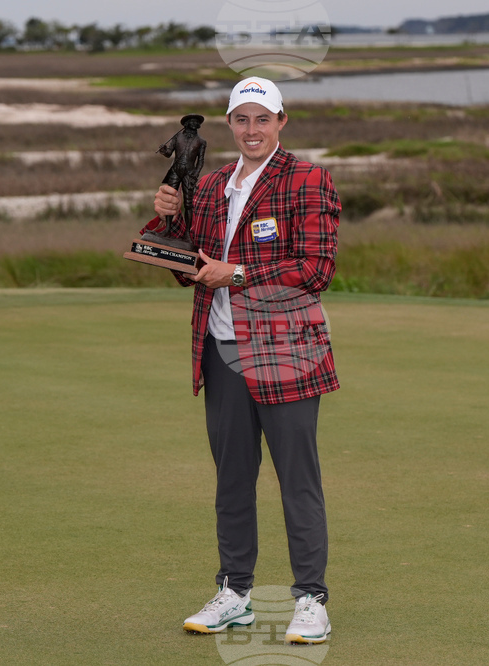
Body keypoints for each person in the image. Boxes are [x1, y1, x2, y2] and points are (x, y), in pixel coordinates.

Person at [143, 77, 341, 645]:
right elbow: (187, 264)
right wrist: (167, 218)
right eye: (241, 120)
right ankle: (235, 593)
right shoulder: (208, 186)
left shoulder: (307, 178)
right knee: (232, 480)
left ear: (282, 121)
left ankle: (311, 600)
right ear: (229, 126)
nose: (251, 130)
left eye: (262, 119)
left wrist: (242, 273)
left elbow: (316, 269)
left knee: (297, 480)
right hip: (221, 349)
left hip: (287, 351)